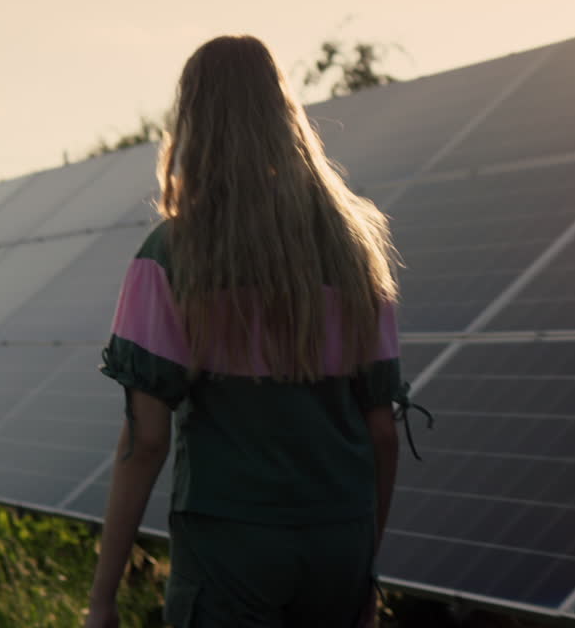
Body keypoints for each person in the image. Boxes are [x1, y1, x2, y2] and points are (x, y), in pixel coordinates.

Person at [84, 35, 423, 628]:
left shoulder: (171, 254)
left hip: (230, 548)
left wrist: (102, 598)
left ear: (191, 122)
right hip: (338, 541)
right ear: (284, 113)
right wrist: (364, 569)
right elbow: (383, 433)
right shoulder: (355, 252)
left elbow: (146, 442)